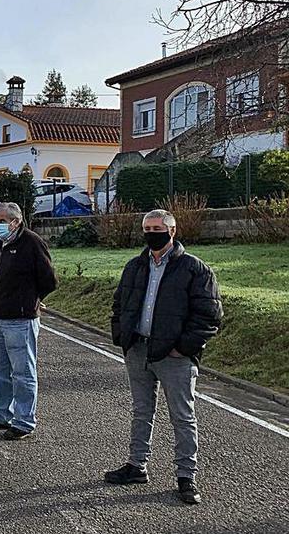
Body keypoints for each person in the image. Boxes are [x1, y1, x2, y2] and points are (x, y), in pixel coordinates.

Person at [104, 209, 222, 505]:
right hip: (139, 350)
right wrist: (123, 337)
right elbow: (120, 304)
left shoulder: (195, 269)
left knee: (183, 417)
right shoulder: (135, 266)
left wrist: (182, 348)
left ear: (172, 231)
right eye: (147, 227)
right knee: (141, 411)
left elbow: (209, 316)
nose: (151, 232)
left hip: (174, 356)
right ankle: (136, 465)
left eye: (157, 227)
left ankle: (186, 476)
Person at [0, 202, 57, 440]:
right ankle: (2, 414)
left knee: (22, 372)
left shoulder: (31, 243)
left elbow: (49, 280)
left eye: (2, 221)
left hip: (20, 320)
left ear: (16, 221)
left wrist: (32, 299)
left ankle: (24, 421)